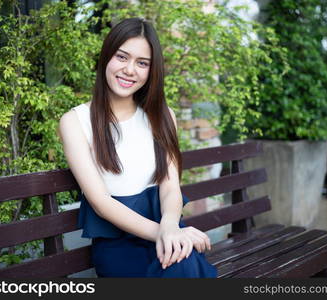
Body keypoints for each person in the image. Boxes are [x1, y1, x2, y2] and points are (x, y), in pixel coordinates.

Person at [58, 17, 217, 278]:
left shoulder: (163, 116)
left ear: (151, 71)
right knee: (182, 265)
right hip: (119, 247)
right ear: (106, 57)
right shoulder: (75, 122)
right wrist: (167, 233)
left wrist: (169, 225)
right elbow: (101, 203)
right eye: (122, 57)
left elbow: (170, 187)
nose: (130, 70)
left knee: (183, 263)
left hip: (166, 229)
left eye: (142, 63)